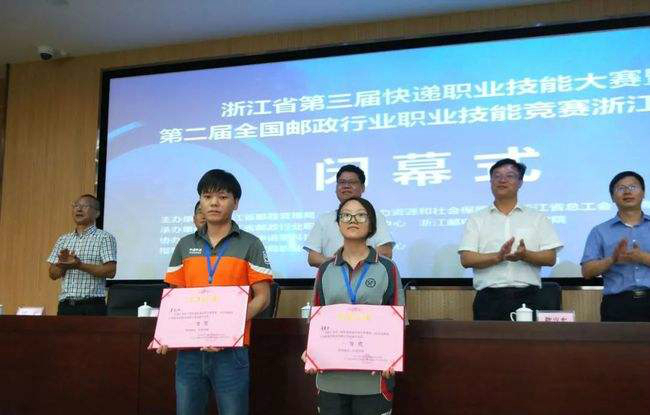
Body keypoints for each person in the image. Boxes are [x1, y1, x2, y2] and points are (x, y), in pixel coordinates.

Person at [157, 169, 273, 415]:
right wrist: (166, 333)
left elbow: (263, 298)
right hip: (189, 351)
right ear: (200, 201)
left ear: (235, 203)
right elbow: (175, 296)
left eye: (222, 197)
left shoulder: (250, 244)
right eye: (207, 196)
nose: (214, 203)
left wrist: (226, 329)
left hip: (231, 351)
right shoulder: (185, 245)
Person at [303, 196, 405, 415]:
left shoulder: (387, 268)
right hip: (331, 377)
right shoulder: (325, 269)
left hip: (374, 378)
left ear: (372, 225)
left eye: (360, 215)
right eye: (346, 215)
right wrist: (311, 351)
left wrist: (393, 357)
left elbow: (398, 320)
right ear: (338, 223)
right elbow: (317, 318)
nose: (352, 220)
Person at [458, 158, 563, 320]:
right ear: (490, 182)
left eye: (510, 176)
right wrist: (497, 257)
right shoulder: (476, 219)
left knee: (530, 338)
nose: (502, 180)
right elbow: (466, 259)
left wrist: (525, 255)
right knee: (487, 338)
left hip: (530, 297)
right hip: (489, 299)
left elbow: (550, 258)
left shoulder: (537, 218)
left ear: (520, 182)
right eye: (497, 176)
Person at [581, 171, 650, 321]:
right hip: (617, 304)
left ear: (643, 193)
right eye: (621, 188)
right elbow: (587, 271)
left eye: (633, 187)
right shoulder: (600, 231)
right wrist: (612, 259)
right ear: (612, 197)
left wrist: (643, 257)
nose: (627, 192)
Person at [304, 164, 395, 268]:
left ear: (363, 188)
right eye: (342, 182)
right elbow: (313, 258)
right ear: (336, 188)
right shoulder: (324, 219)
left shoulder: (374, 216)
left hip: (368, 275)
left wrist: (356, 266)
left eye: (352, 182)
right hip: (333, 276)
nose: (346, 186)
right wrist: (338, 264)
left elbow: (386, 252)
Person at [47, 194, 117, 315]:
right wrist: (63, 264)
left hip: (92, 307)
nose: (79, 209)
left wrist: (79, 265)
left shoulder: (105, 238)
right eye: (76, 206)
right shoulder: (63, 239)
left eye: (85, 206)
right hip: (66, 306)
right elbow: (53, 274)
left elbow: (110, 271)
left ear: (97, 213)